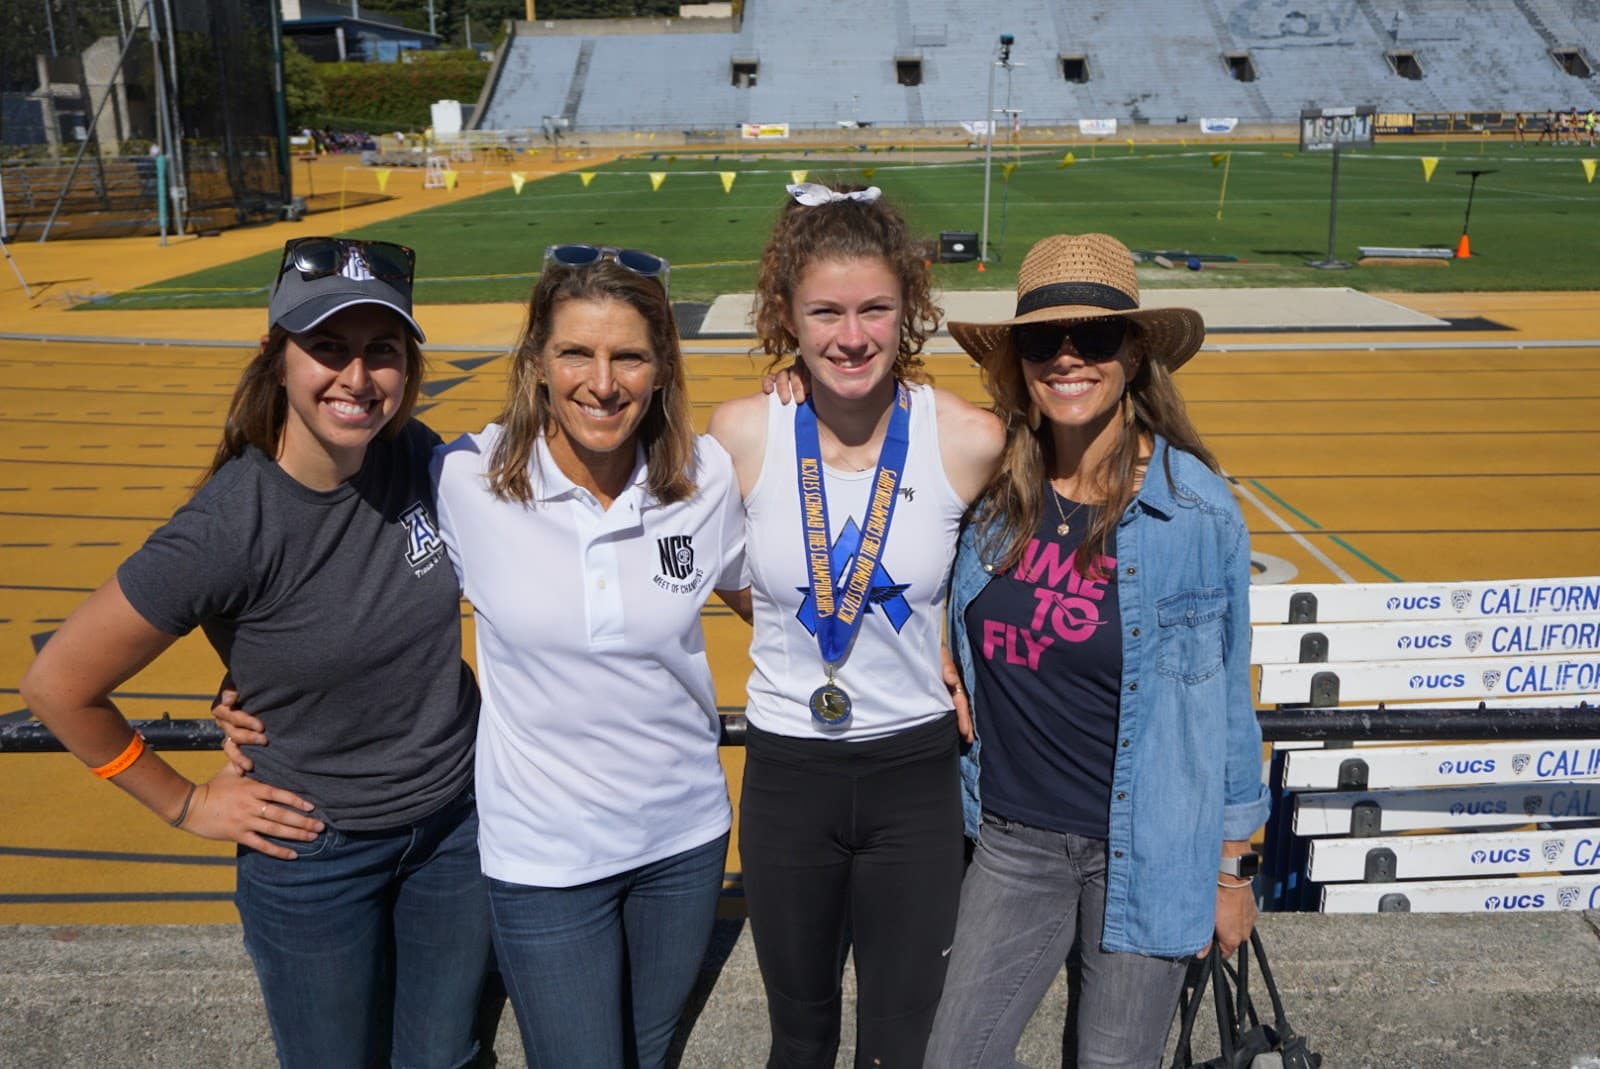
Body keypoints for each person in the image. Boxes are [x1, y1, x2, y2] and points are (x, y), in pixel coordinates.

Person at [20, 237, 491, 1069]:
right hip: (317, 856)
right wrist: (185, 804)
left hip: (457, 830)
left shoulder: (415, 456)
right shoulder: (228, 525)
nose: (357, 377)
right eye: (328, 347)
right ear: (278, 357)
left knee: (445, 1060)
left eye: (382, 350)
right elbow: (57, 684)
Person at [924, 233, 1272, 1068]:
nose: (1068, 357)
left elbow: (1228, 701)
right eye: (1044, 339)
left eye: (1097, 336)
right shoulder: (993, 490)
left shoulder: (1194, 510)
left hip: (1148, 847)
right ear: (1019, 361)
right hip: (1013, 839)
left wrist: (1233, 871)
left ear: (1136, 353)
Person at [707, 183, 1006, 1068]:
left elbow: (1003, 577)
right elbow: (731, 575)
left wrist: (945, 642)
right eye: (825, 312)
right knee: (799, 1038)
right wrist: (816, 625)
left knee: (900, 1042)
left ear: (909, 309)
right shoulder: (741, 433)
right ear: (786, 317)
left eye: (875, 308)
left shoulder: (968, 439)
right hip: (788, 775)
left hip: (913, 778)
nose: (851, 336)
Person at [430, 245, 748, 1068]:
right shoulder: (465, 477)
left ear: (662, 367)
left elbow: (770, 600)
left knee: (651, 1052)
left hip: (683, 839)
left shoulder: (705, 474)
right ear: (537, 361)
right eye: (576, 352)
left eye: (629, 357)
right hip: (544, 855)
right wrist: (256, 681)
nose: (602, 383)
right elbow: (353, 567)